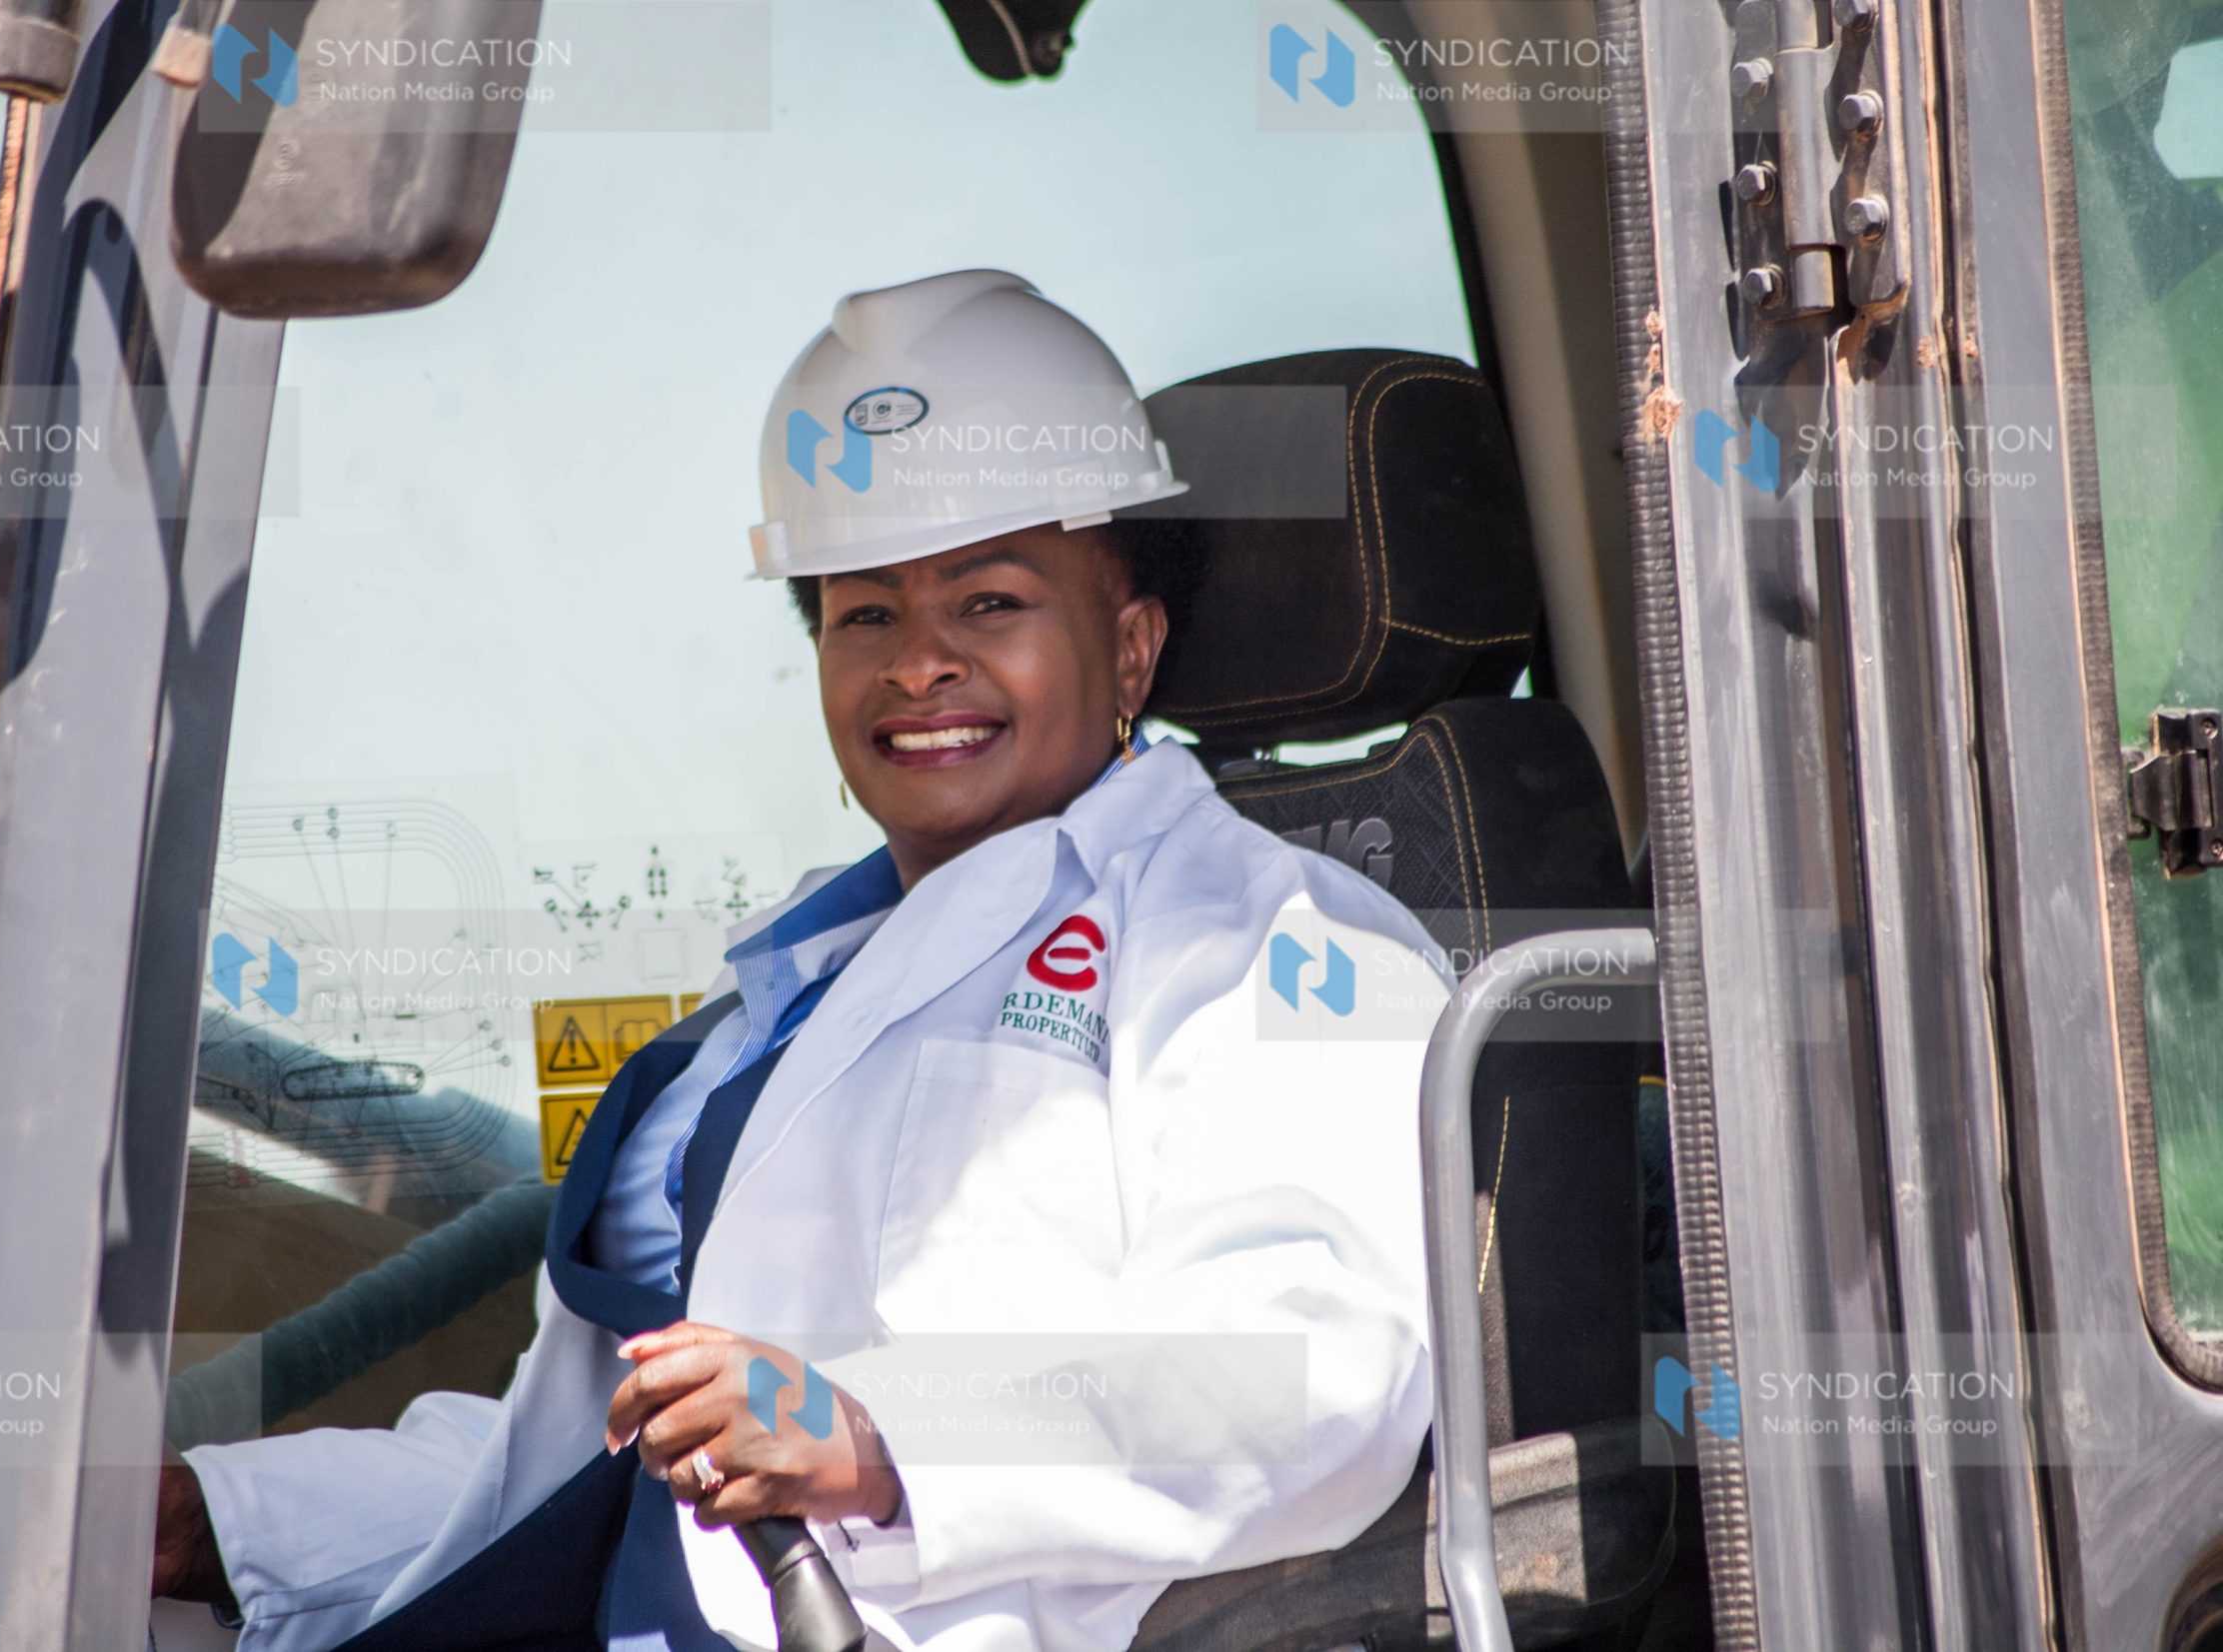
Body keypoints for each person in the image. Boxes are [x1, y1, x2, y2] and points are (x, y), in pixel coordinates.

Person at [153, 269, 1452, 1652]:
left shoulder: (1277, 942)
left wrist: (884, 1433)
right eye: (866, 615)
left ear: (1130, 649)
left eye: (992, 601)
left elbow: (1317, 1373)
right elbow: (584, 1468)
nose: (918, 666)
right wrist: (222, 1517)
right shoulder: (782, 1006)